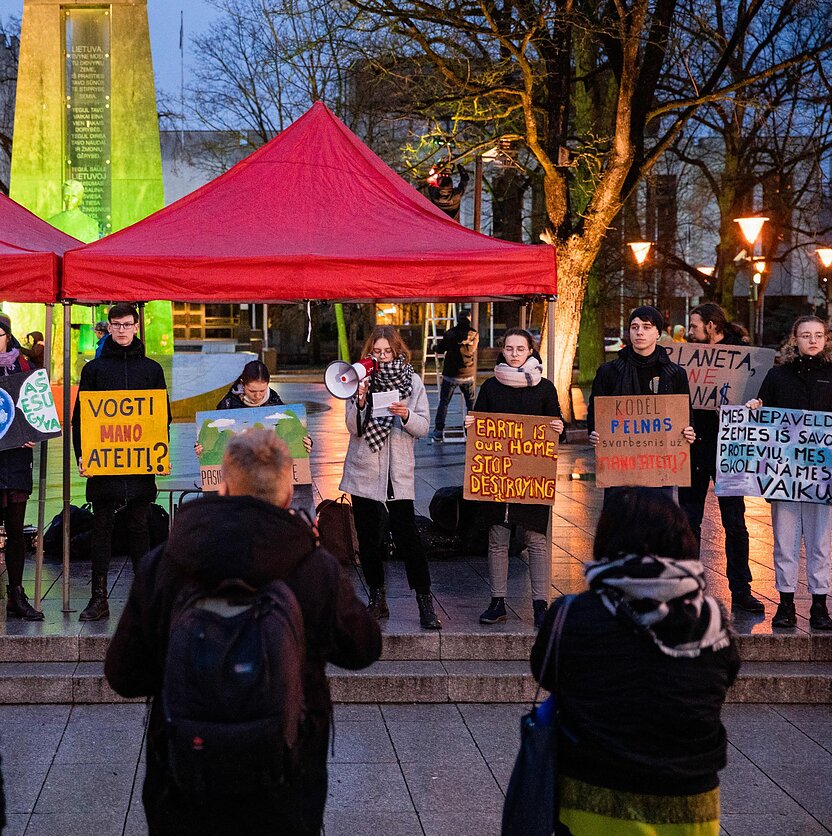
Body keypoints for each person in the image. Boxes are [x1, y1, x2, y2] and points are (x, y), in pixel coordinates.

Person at [105, 428, 382, 835]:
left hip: (185, 776)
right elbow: (363, 648)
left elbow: (123, 675)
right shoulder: (313, 565)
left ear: (224, 488)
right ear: (286, 495)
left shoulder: (166, 562)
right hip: (287, 774)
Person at [531, 488, 739, 835]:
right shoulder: (712, 620)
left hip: (593, 802)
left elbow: (546, 673)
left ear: (606, 540)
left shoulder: (572, 615)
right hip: (689, 809)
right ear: (682, 541)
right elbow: (724, 678)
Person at [71, 303, 169, 622]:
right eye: (117, 324)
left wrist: (158, 453)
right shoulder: (94, 370)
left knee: (140, 528)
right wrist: (82, 455)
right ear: (109, 328)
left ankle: (143, 600)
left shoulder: (152, 370)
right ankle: (99, 598)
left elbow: (161, 417)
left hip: (139, 464)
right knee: (102, 528)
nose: (122, 330)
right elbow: (80, 419)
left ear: (136, 327)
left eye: (127, 324)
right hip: (104, 464)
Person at [339, 325, 442, 629]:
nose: (383, 356)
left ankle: (424, 600)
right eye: (377, 351)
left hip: (397, 473)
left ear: (397, 351)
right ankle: (377, 598)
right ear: (369, 353)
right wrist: (360, 401)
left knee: (408, 537)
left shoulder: (412, 381)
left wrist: (406, 415)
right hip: (365, 471)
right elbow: (353, 428)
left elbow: (423, 427)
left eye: (387, 351)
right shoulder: (359, 380)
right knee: (369, 539)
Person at [463, 328, 564, 629]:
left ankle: (540, 605)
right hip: (499, 478)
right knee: (498, 539)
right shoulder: (491, 387)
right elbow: (479, 429)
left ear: (531, 351)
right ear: (503, 350)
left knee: (536, 540)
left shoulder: (545, 388)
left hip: (532, 478)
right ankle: (497, 602)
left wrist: (559, 427)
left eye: (520, 348)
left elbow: (557, 424)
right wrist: (470, 424)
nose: (515, 354)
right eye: (509, 348)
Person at [746, 315, 832, 630]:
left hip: (822, 475)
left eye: (818, 335)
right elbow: (762, 415)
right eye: (806, 335)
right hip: (784, 474)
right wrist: (755, 409)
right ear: (795, 339)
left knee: (821, 542)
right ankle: (785, 604)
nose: (813, 340)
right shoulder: (777, 375)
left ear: (826, 339)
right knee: (785, 541)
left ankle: (820, 605)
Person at [678, 303, 763, 614]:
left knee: (735, 522)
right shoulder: (689, 357)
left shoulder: (742, 356)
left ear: (712, 326)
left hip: (729, 450)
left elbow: (757, 397)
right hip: (695, 447)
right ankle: (688, 589)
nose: (690, 331)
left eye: (695, 325)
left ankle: (741, 590)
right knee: (689, 520)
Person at [587, 305, 696, 508]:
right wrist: (594, 431)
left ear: (658, 333)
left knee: (656, 518)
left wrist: (688, 431)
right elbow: (595, 410)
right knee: (620, 519)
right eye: (634, 327)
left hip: (660, 465)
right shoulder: (609, 372)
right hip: (620, 466)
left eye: (646, 327)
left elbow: (685, 414)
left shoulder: (674, 374)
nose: (639, 332)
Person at [193, 360, 314, 516]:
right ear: (243, 384)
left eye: (262, 391)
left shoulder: (275, 402)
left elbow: (286, 442)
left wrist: (306, 443)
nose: (258, 396)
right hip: (240, 478)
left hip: (268, 477)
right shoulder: (228, 404)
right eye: (252, 391)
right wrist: (201, 449)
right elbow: (215, 444)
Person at [0, 316, 42, 620]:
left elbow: (36, 407)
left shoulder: (23, 366)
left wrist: (32, 431)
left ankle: (16, 593)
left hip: (15, 459)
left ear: (7, 336)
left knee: (16, 529)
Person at [430, 313, 479, 442]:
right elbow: (472, 350)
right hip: (467, 373)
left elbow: (440, 349)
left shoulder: (450, 333)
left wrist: (433, 347)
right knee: (471, 405)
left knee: (444, 403)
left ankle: (438, 431)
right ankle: (471, 431)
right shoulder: (474, 334)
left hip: (451, 374)